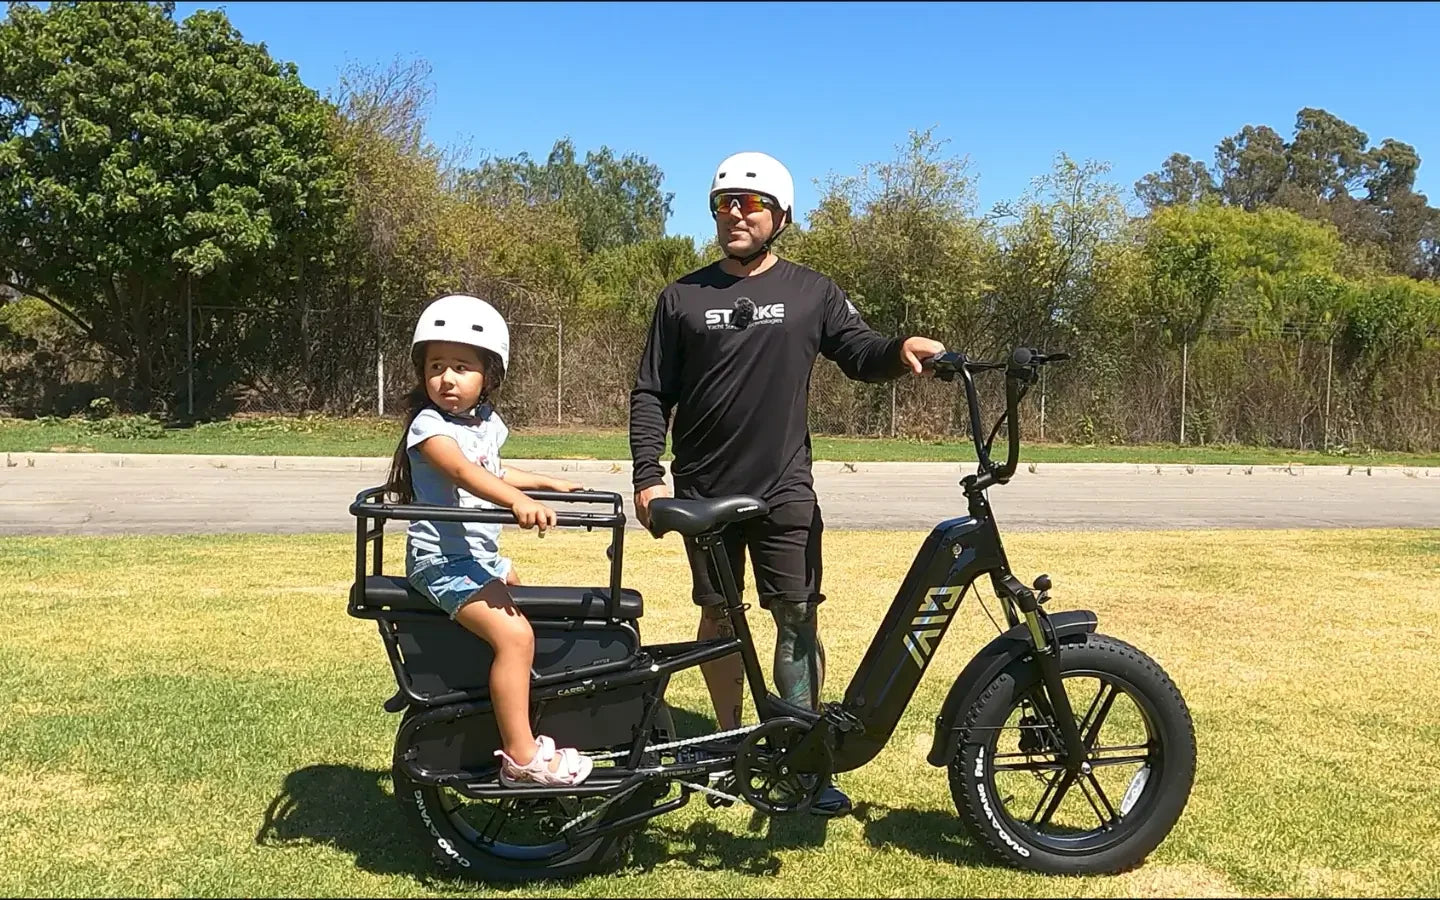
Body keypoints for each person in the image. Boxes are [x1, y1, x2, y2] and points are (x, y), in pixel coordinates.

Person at [628, 151, 946, 816]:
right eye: (723, 204)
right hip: (702, 493)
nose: (734, 214)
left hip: (783, 491)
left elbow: (860, 353)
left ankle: (806, 757)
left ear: (779, 216)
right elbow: (651, 393)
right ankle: (726, 748)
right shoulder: (682, 297)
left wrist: (900, 350)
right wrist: (649, 478)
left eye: (749, 204)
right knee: (718, 616)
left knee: (796, 619)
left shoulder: (813, 292)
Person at [385, 293, 594, 788]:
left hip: (481, 558)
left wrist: (545, 483)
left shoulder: (483, 424)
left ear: (490, 376)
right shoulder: (429, 427)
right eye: (436, 366)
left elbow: (493, 470)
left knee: (523, 602)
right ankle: (521, 759)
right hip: (442, 561)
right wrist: (515, 503)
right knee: (516, 634)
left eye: (461, 366)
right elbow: (461, 473)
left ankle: (494, 700)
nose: (447, 378)